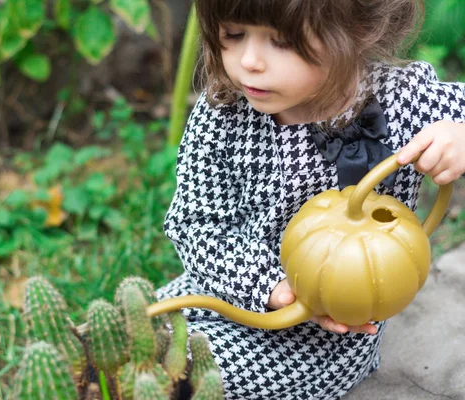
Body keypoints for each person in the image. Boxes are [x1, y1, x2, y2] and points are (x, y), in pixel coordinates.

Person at [156, 0, 465, 399]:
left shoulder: (401, 99)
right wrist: (274, 288)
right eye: (233, 35)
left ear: (357, 32)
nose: (249, 61)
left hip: (321, 343)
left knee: (192, 374)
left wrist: (459, 134)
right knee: (135, 336)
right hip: (224, 289)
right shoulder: (223, 114)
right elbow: (197, 224)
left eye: (282, 42)